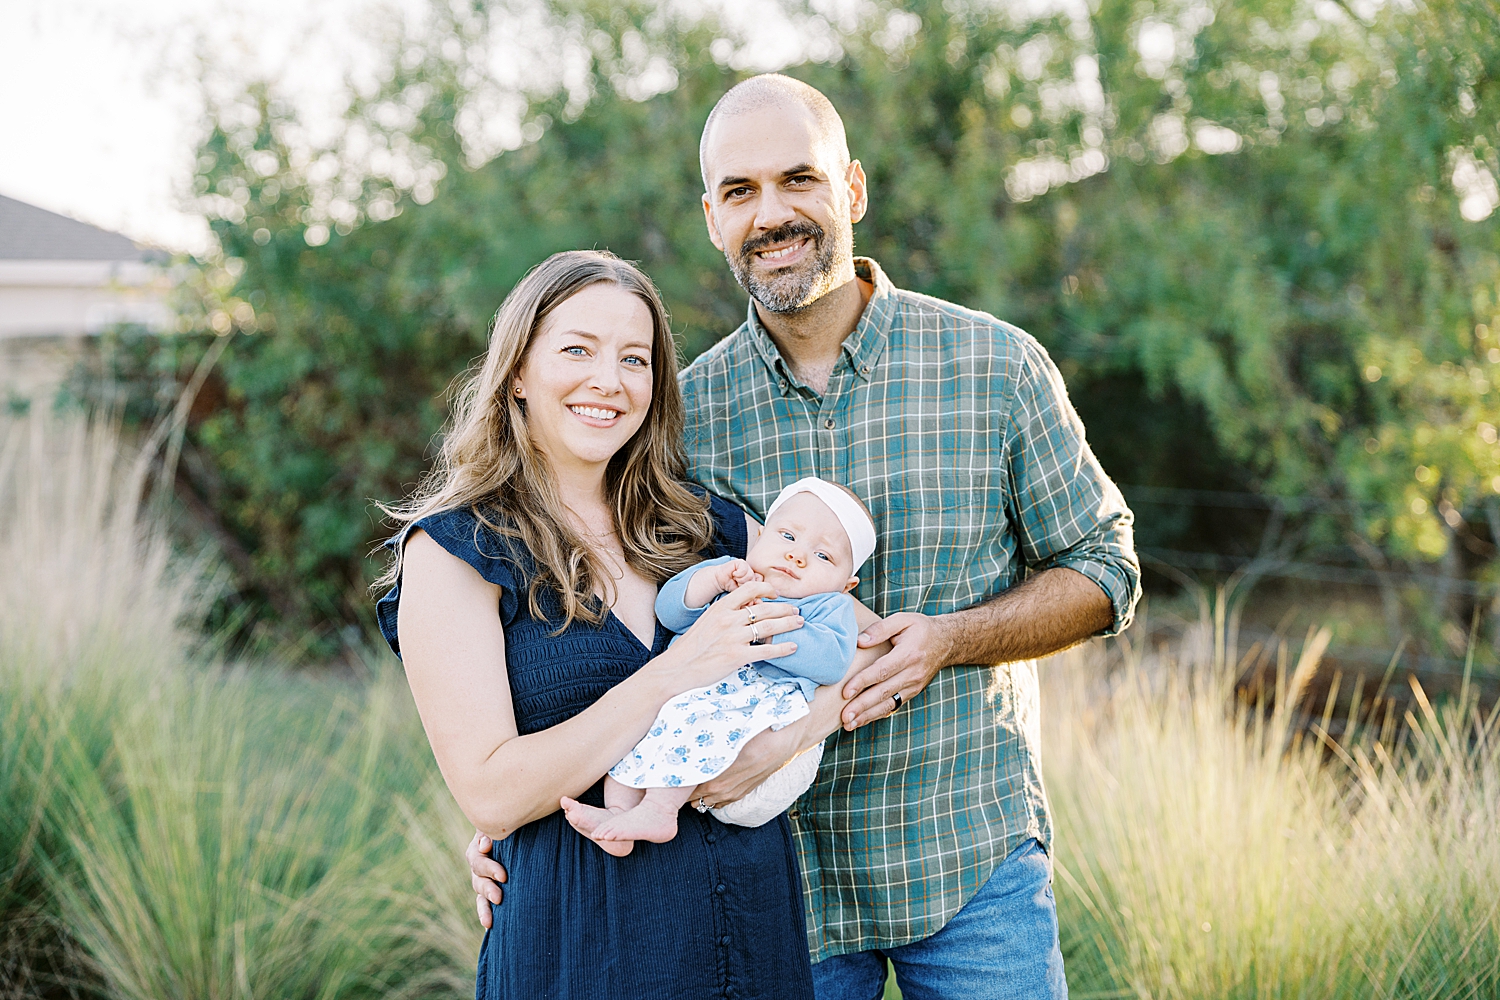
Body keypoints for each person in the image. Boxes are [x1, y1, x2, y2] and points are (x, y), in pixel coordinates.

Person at [469, 75, 1141, 999]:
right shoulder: (675, 416)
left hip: (968, 852)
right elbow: (615, 624)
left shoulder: (994, 365)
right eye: (741, 193)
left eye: (800, 180)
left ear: (852, 190)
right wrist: (526, 819)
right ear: (712, 218)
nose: (773, 214)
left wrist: (949, 641)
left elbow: (1106, 568)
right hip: (777, 887)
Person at [377, 250, 832, 999]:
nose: (608, 381)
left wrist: (785, 737)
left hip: (748, 939)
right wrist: (676, 673)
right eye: (577, 350)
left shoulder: (704, 527)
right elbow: (491, 794)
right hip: (582, 949)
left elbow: (861, 641)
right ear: (518, 370)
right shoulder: (457, 551)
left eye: (634, 359)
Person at [560, 475, 876, 851]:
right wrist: (710, 580)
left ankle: (660, 810)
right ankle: (619, 813)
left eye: (824, 556)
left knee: (697, 722)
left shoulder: (829, 606)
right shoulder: (730, 573)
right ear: (760, 537)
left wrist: (768, 630)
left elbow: (833, 661)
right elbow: (669, 611)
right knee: (639, 734)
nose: (798, 556)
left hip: (754, 705)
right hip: (697, 689)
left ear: (846, 585)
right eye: (787, 537)